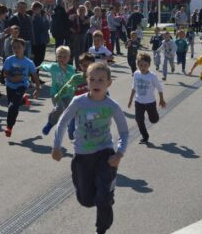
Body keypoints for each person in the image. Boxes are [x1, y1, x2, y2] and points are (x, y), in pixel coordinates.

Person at [52, 62, 129, 234]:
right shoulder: (78, 102)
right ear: (87, 81)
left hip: (105, 152)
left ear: (109, 83)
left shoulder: (112, 106)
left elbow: (124, 132)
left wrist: (119, 153)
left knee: (103, 197)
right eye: (92, 79)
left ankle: (102, 226)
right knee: (85, 200)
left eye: (101, 80)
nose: (96, 83)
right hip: (82, 155)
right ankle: (105, 196)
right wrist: (56, 146)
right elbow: (63, 121)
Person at [2, 38, 40, 137]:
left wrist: (37, 88)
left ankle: (9, 127)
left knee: (12, 106)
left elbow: (34, 75)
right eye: (14, 47)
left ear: (24, 48)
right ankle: (23, 100)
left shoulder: (28, 62)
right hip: (10, 85)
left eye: (19, 47)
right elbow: (5, 73)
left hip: (22, 86)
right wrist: (12, 78)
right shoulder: (9, 60)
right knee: (12, 104)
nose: (16, 49)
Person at [128, 53, 166, 144]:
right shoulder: (136, 74)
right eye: (140, 65)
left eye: (145, 65)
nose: (143, 67)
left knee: (154, 120)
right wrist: (130, 100)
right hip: (139, 102)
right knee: (139, 119)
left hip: (150, 102)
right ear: (137, 65)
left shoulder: (152, 76)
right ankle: (145, 136)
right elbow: (134, 87)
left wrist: (161, 99)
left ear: (149, 65)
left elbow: (159, 89)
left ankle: (154, 116)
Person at [39, 46, 75, 135]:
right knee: (59, 108)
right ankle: (50, 123)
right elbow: (45, 66)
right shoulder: (53, 66)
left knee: (68, 111)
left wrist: (65, 71)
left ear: (69, 58)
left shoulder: (71, 69)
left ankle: (70, 126)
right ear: (56, 57)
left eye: (64, 57)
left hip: (68, 94)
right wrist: (39, 67)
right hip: (56, 93)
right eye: (59, 56)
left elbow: (72, 78)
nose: (62, 59)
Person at [31, 1, 50, 69]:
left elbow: (47, 26)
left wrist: (45, 17)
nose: (40, 10)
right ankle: (35, 74)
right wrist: (45, 19)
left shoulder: (41, 17)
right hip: (37, 41)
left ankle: (36, 74)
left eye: (40, 9)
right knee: (37, 59)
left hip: (42, 41)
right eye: (38, 9)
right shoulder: (34, 17)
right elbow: (44, 27)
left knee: (40, 59)